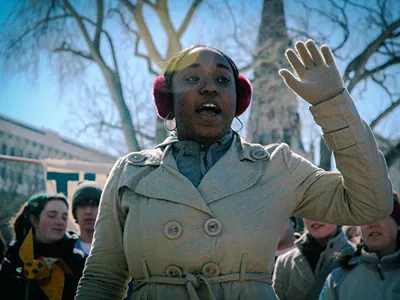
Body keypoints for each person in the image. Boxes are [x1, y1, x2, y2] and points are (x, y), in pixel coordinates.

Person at [76, 40, 392, 300]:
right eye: (192, 78)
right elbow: (102, 279)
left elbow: (371, 202)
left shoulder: (277, 166)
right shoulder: (131, 172)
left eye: (222, 79)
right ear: (168, 97)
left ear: (236, 99)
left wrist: (331, 103)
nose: (209, 87)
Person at [0, 193, 85, 300]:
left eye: (64, 217)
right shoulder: (13, 259)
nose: (60, 222)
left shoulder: (77, 261)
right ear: (34, 220)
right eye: (52, 215)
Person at [320, 190, 400, 300]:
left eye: (381, 214)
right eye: (365, 217)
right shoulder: (338, 279)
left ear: (398, 224)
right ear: (358, 229)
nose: (372, 223)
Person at [273, 220, 354, 300]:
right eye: (309, 210)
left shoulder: (356, 258)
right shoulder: (285, 263)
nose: (316, 217)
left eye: (323, 208)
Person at [72, 181, 102, 257]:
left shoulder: (117, 248)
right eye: (82, 205)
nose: (88, 211)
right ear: (75, 212)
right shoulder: (64, 249)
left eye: (94, 205)